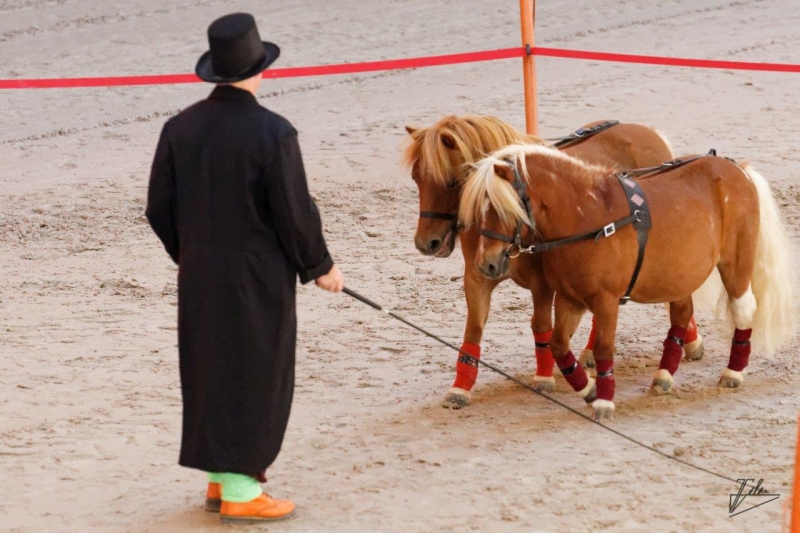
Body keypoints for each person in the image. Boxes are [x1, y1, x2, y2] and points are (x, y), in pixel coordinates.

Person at [146, 12, 343, 523]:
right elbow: (294, 212)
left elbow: (158, 208)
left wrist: (188, 252)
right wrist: (320, 265)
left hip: (199, 276)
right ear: (260, 70)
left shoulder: (178, 128)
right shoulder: (272, 133)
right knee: (255, 376)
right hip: (257, 279)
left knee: (210, 371)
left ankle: (219, 482)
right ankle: (240, 493)